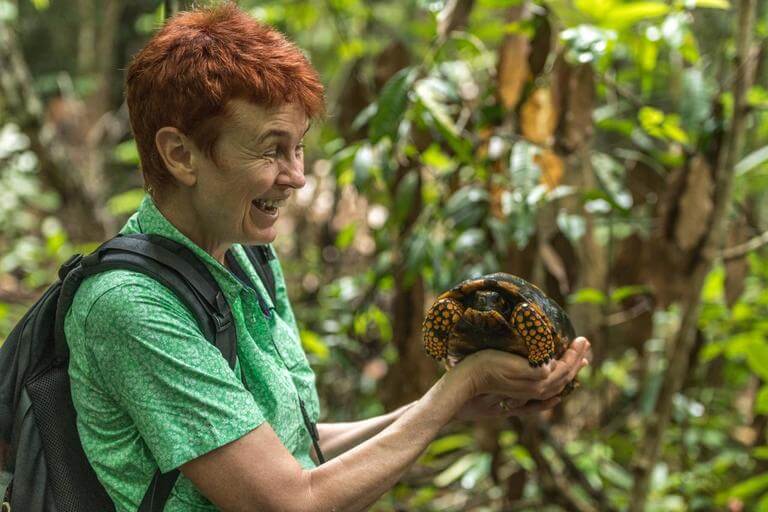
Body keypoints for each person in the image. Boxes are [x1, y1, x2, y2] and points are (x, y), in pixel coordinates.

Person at [63, 3, 591, 511]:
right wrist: (460, 385)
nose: (297, 176)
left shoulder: (244, 256)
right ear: (181, 154)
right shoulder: (131, 308)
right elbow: (290, 501)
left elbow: (296, 448)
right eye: (272, 149)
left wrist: (451, 404)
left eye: (299, 147)